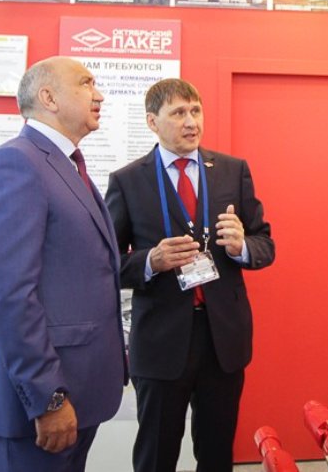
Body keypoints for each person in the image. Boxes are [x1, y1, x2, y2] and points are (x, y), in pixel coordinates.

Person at [105, 78, 275, 472]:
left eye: (195, 111)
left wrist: (242, 246)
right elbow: (107, 264)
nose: (191, 122)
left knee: (216, 455)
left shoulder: (232, 171)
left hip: (222, 340)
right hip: (161, 340)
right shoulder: (128, 181)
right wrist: (151, 260)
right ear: (152, 122)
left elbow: (265, 244)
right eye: (178, 113)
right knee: (156, 456)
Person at [0, 57, 127, 472]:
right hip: (40, 403)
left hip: (80, 392)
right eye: (86, 83)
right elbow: (10, 294)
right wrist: (48, 397)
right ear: (49, 97)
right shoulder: (17, 163)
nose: (99, 95)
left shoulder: (66, 164)